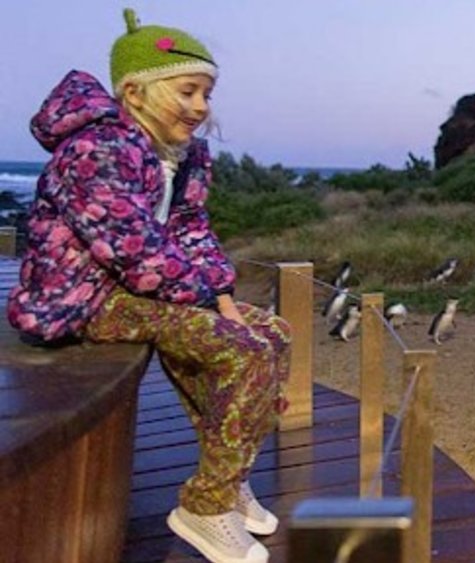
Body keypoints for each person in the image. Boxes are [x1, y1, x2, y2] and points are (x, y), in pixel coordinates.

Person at [6, 9, 288, 563]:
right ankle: (204, 508)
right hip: (84, 299)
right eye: (189, 91)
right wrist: (210, 303)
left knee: (272, 332)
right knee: (241, 349)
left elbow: (189, 230)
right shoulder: (95, 151)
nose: (202, 108)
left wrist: (224, 295)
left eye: (207, 93)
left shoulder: (181, 157)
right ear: (136, 92)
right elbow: (133, 249)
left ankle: (227, 477)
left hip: (137, 290)